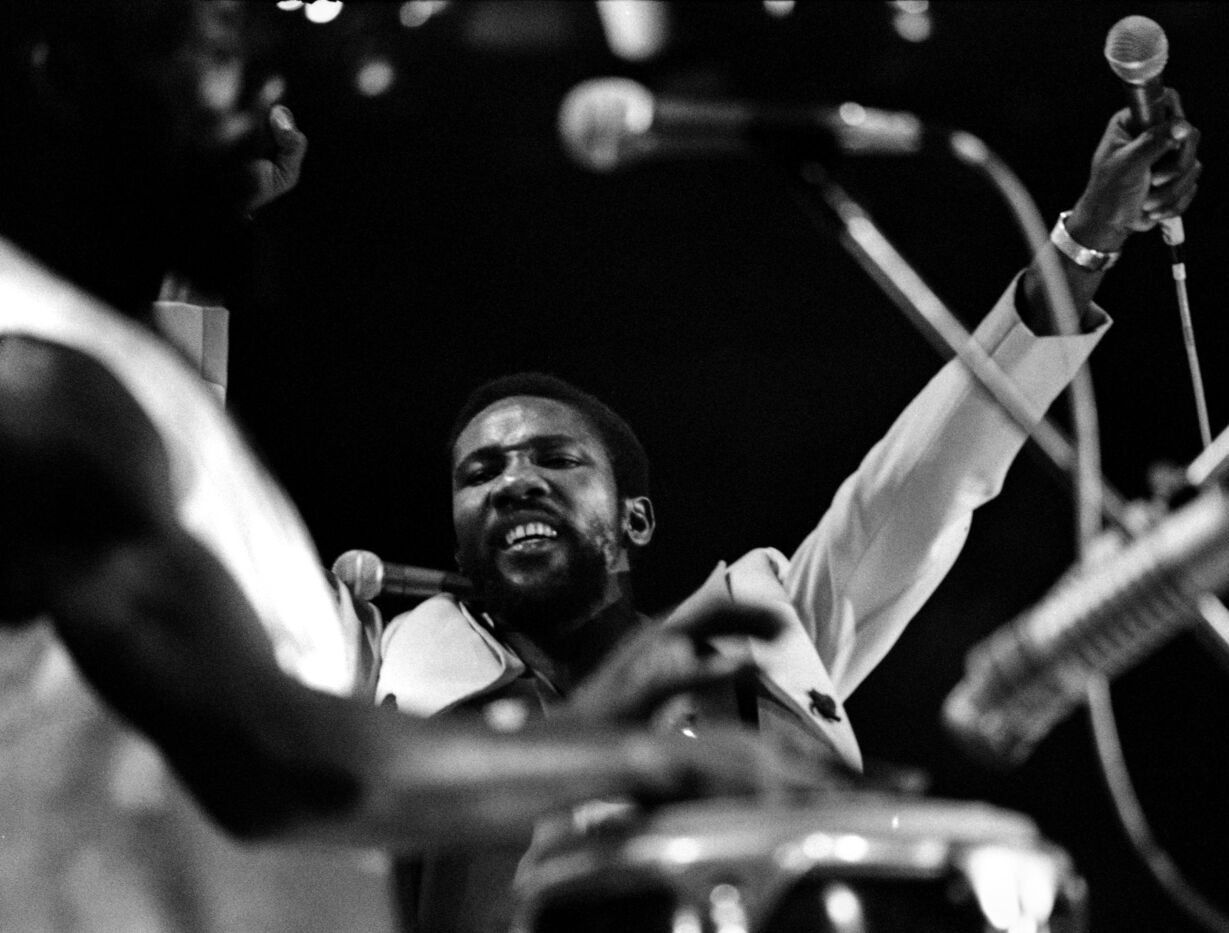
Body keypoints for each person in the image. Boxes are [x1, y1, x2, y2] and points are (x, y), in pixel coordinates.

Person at [0, 3, 831, 932]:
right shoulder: (33, 386)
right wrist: (622, 752)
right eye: (219, 46)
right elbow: (277, 760)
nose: (269, 91)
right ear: (60, 70)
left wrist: (190, 211)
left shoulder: (101, 370)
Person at [374, 86, 1202, 930]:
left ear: (635, 522)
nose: (514, 481)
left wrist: (1086, 241)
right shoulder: (382, 671)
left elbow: (924, 479)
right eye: (481, 471)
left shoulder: (758, 648)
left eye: (556, 458)